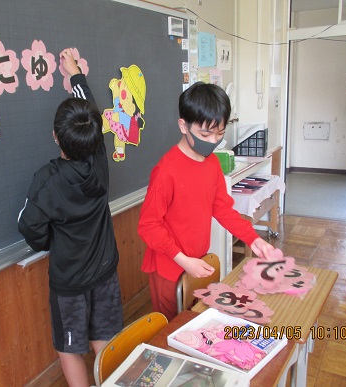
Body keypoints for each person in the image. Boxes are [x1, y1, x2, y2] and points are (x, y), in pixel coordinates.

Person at [18, 48, 123, 387]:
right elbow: (91, 111)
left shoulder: (47, 181)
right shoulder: (99, 161)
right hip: (105, 272)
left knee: (69, 348)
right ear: (96, 137)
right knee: (103, 338)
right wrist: (75, 73)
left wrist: (51, 242)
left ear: (55, 137)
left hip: (70, 283)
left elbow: (28, 226)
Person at [137, 81, 277, 322]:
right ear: (183, 125)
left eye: (219, 133)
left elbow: (222, 208)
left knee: (195, 321)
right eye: (205, 134)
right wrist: (182, 260)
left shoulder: (211, 163)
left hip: (196, 260)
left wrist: (253, 240)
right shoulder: (166, 171)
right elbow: (148, 226)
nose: (213, 141)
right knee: (171, 328)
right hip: (169, 267)